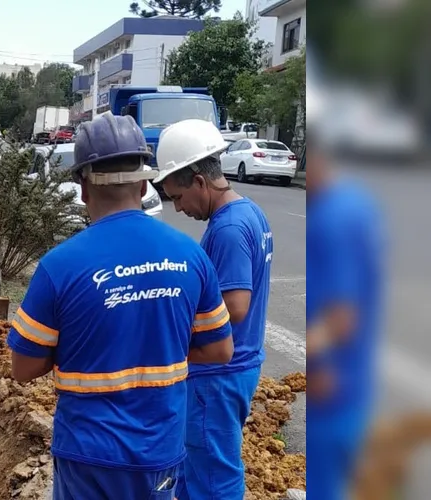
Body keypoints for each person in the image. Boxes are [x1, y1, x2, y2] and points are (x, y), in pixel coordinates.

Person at [7, 111, 235, 500]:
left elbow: (24, 368)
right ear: (145, 182)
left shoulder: (59, 266)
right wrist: (159, 345)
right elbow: (220, 349)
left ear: (83, 188)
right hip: (158, 450)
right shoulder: (190, 257)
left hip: (87, 454)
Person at [154, 119, 273, 500]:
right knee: (197, 467)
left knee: (214, 478)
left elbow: (235, 306)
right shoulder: (248, 212)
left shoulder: (229, 228)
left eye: (178, 196)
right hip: (234, 367)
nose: (178, 207)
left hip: (217, 373)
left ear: (200, 182)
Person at [304, 80, 384, 500]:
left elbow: (341, 317)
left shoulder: (335, 216)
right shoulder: (351, 204)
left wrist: (312, 363)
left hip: (334, 387)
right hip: (350, 385)